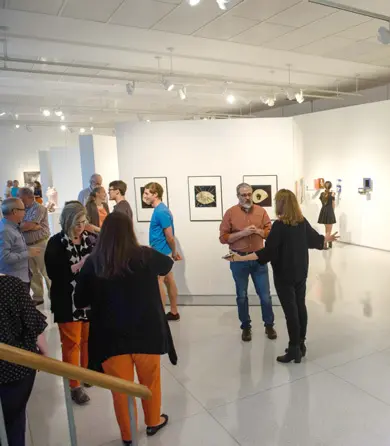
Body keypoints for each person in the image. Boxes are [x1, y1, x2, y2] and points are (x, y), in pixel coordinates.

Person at [74, 212, 177, 445]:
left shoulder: (94, 261)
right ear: (130, 231)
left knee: (121, 389)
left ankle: (128, 434)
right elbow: (167, 264)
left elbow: (80, 300)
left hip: (111, 337)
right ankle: (152, 421)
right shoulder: (144, 255)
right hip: (146, 332)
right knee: (149, 382)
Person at [226, 189, 338, 363]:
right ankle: (301, 344)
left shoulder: (279, 226)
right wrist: (326, 238)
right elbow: (314, 240)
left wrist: (241, 257)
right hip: (301, 273)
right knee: (300, 307)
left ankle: (294, 349)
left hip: (284, 275)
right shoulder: (301, 222)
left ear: (280, 204)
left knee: (291, 311)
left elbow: (266, 253)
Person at [44, 202, 93, 405]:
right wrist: (80, 265)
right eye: (77, 223)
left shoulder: (87, 240)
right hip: (66, 300)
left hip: (86, 299)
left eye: (83, 222)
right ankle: (75, 384)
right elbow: (54, 274)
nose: (81, 226)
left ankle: (87, 373)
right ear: (67, 221)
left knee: (86, 339)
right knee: (72, 343)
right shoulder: (56, 243)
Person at [220, 183, 276, 342]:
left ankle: (269, 325)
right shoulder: (230, 213)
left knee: (265, 296)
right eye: (243, 195)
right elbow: (223, 238)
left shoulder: (261, 211)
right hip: (238, 259)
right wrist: (242, 233)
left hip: (259, 258)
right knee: (242, 296)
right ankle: (245, 327)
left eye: (249, 194)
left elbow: (270, 235)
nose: (247, 197)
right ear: (237, 196)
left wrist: (258, 231)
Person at [0, 274, 48, 446]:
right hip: (18, 368)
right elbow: (33, 323)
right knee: (14, 421)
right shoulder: (11, 285)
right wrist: (43, 353)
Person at [143, 182, 181, 321]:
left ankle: (160, 315)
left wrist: (174, 252)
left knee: (159, 280)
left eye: (147, 193)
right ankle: (174, 312)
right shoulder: (160, 210)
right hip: (161, 251)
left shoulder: (161, 211)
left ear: (155, 194)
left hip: (161, 252)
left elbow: (169, 236)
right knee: (169, 280)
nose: (144, 196)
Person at [18, 188, 51, 306]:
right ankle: (37, 296)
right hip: (26, 245)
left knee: (46, 271)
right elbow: (17, 224)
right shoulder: (21, 209)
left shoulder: (39, 208)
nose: (19, 200)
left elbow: (29, 225)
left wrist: (28, 225)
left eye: (21, 198)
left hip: (40, 243)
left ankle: (54, 295)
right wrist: (27, 226)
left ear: (30, 197)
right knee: (32, 272)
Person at [0, 198, 40, 291]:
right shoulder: (5, 230)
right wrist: (28, 253)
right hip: (13, 282)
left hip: (20, 277)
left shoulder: (13, 226)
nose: (25, 213)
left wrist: (27, 250)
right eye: (23, 210)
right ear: (14, 211)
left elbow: (15, 248)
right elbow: (4, 258)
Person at [318, 181, 336, 249]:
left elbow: (323, 203)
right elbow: (333, 205)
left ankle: (328, 241)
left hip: (323, 211)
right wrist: (332, 212)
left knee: (326, 229)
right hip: (329, 211)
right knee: (329, 229)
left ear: (324, 186)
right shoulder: (332, 193)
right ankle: (326, 242)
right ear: (330, 186)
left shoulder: (322, 194)